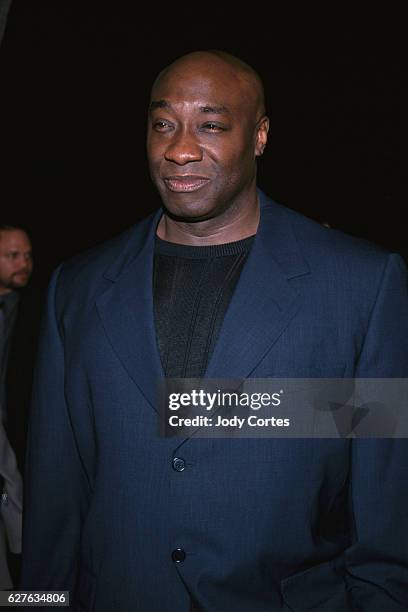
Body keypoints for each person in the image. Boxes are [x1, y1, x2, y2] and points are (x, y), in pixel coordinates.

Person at [21, 51, 408, 611]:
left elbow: (388, 518)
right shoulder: (75, 288)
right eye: (162, 124)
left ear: (260, 136)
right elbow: (52, 504)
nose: (179, 149)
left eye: (211, 124)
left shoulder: (363, 285)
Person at [0, 225, 32, 588]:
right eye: (13, 255)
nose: (24, 263)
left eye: (27, 255)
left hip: (18, 435)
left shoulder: (39, 306)